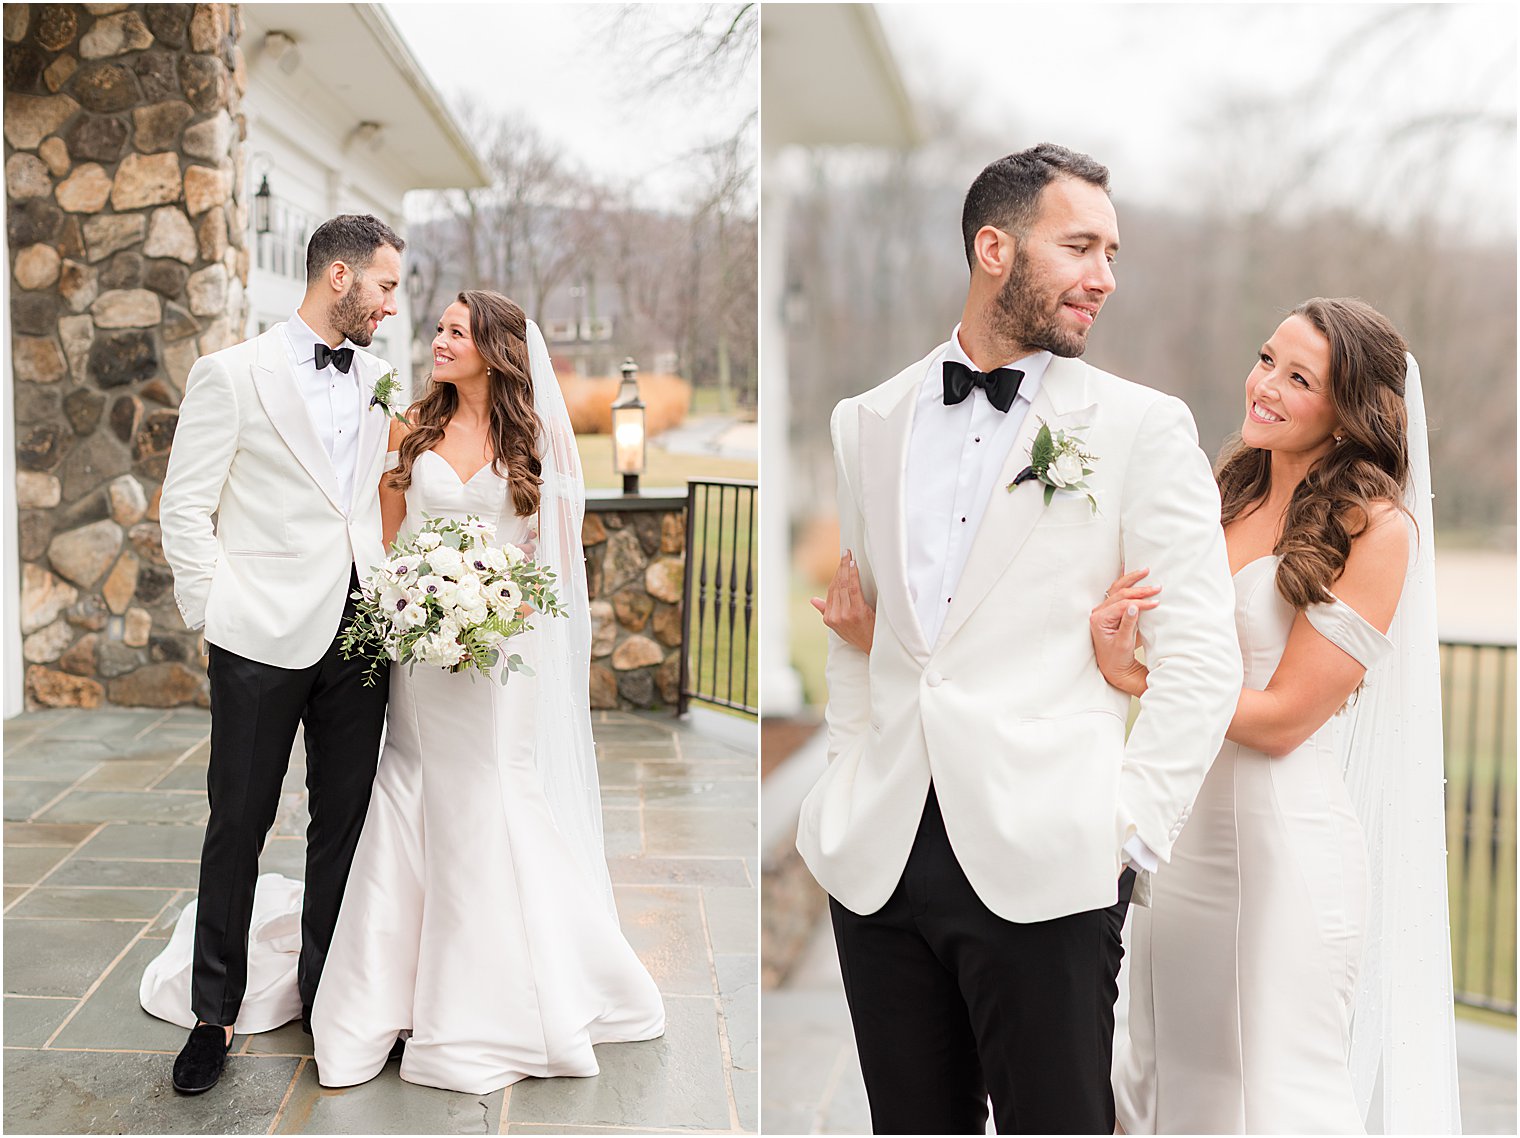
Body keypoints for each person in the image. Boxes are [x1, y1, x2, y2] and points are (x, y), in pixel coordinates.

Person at [796, 143, 1243, 1135]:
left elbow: (1200, 652)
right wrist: (841, 775)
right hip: (878, 855)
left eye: (1111, 251)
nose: (1103, 278)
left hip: (1050, 855)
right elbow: (853, 624)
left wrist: (1125, 831)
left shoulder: (1140, 428)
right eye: (1078, 245)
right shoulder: (863, 420)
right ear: (993, 247)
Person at [1094, 299, 1461, 1133]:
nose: (1264, 386)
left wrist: (1150, 682)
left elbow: (1287, 716)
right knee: (1161, 1082)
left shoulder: (1377, 527)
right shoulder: (1220, 495)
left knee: (1275, 1092)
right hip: (1179, 839)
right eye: (1267, 359)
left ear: (1349, 410)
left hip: (1282, 849)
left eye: (1300, 379)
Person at [307, 290, 665, 1094]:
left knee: (494, 796)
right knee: (412, 791)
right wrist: (417, 605)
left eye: (454, 331)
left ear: (493, 348)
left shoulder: (532, 440)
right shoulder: (415, 429)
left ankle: (502, 995)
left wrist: (492, 611)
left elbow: (553, 564)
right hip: (422, 656)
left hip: (500, 656)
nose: (437, 340)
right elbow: (387, 539)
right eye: (436, 328)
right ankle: (388, 994)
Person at [153, 215, 405, 1094]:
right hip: (257, 633)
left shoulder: (380, 380)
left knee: (344, 823)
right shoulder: (230, 375)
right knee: (239, 823)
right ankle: (211, 1015)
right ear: (339, 276)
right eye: (384, 286)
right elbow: (183, 509)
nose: (391, 304)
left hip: (359, 630)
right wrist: (216, 611)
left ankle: (328, 991)